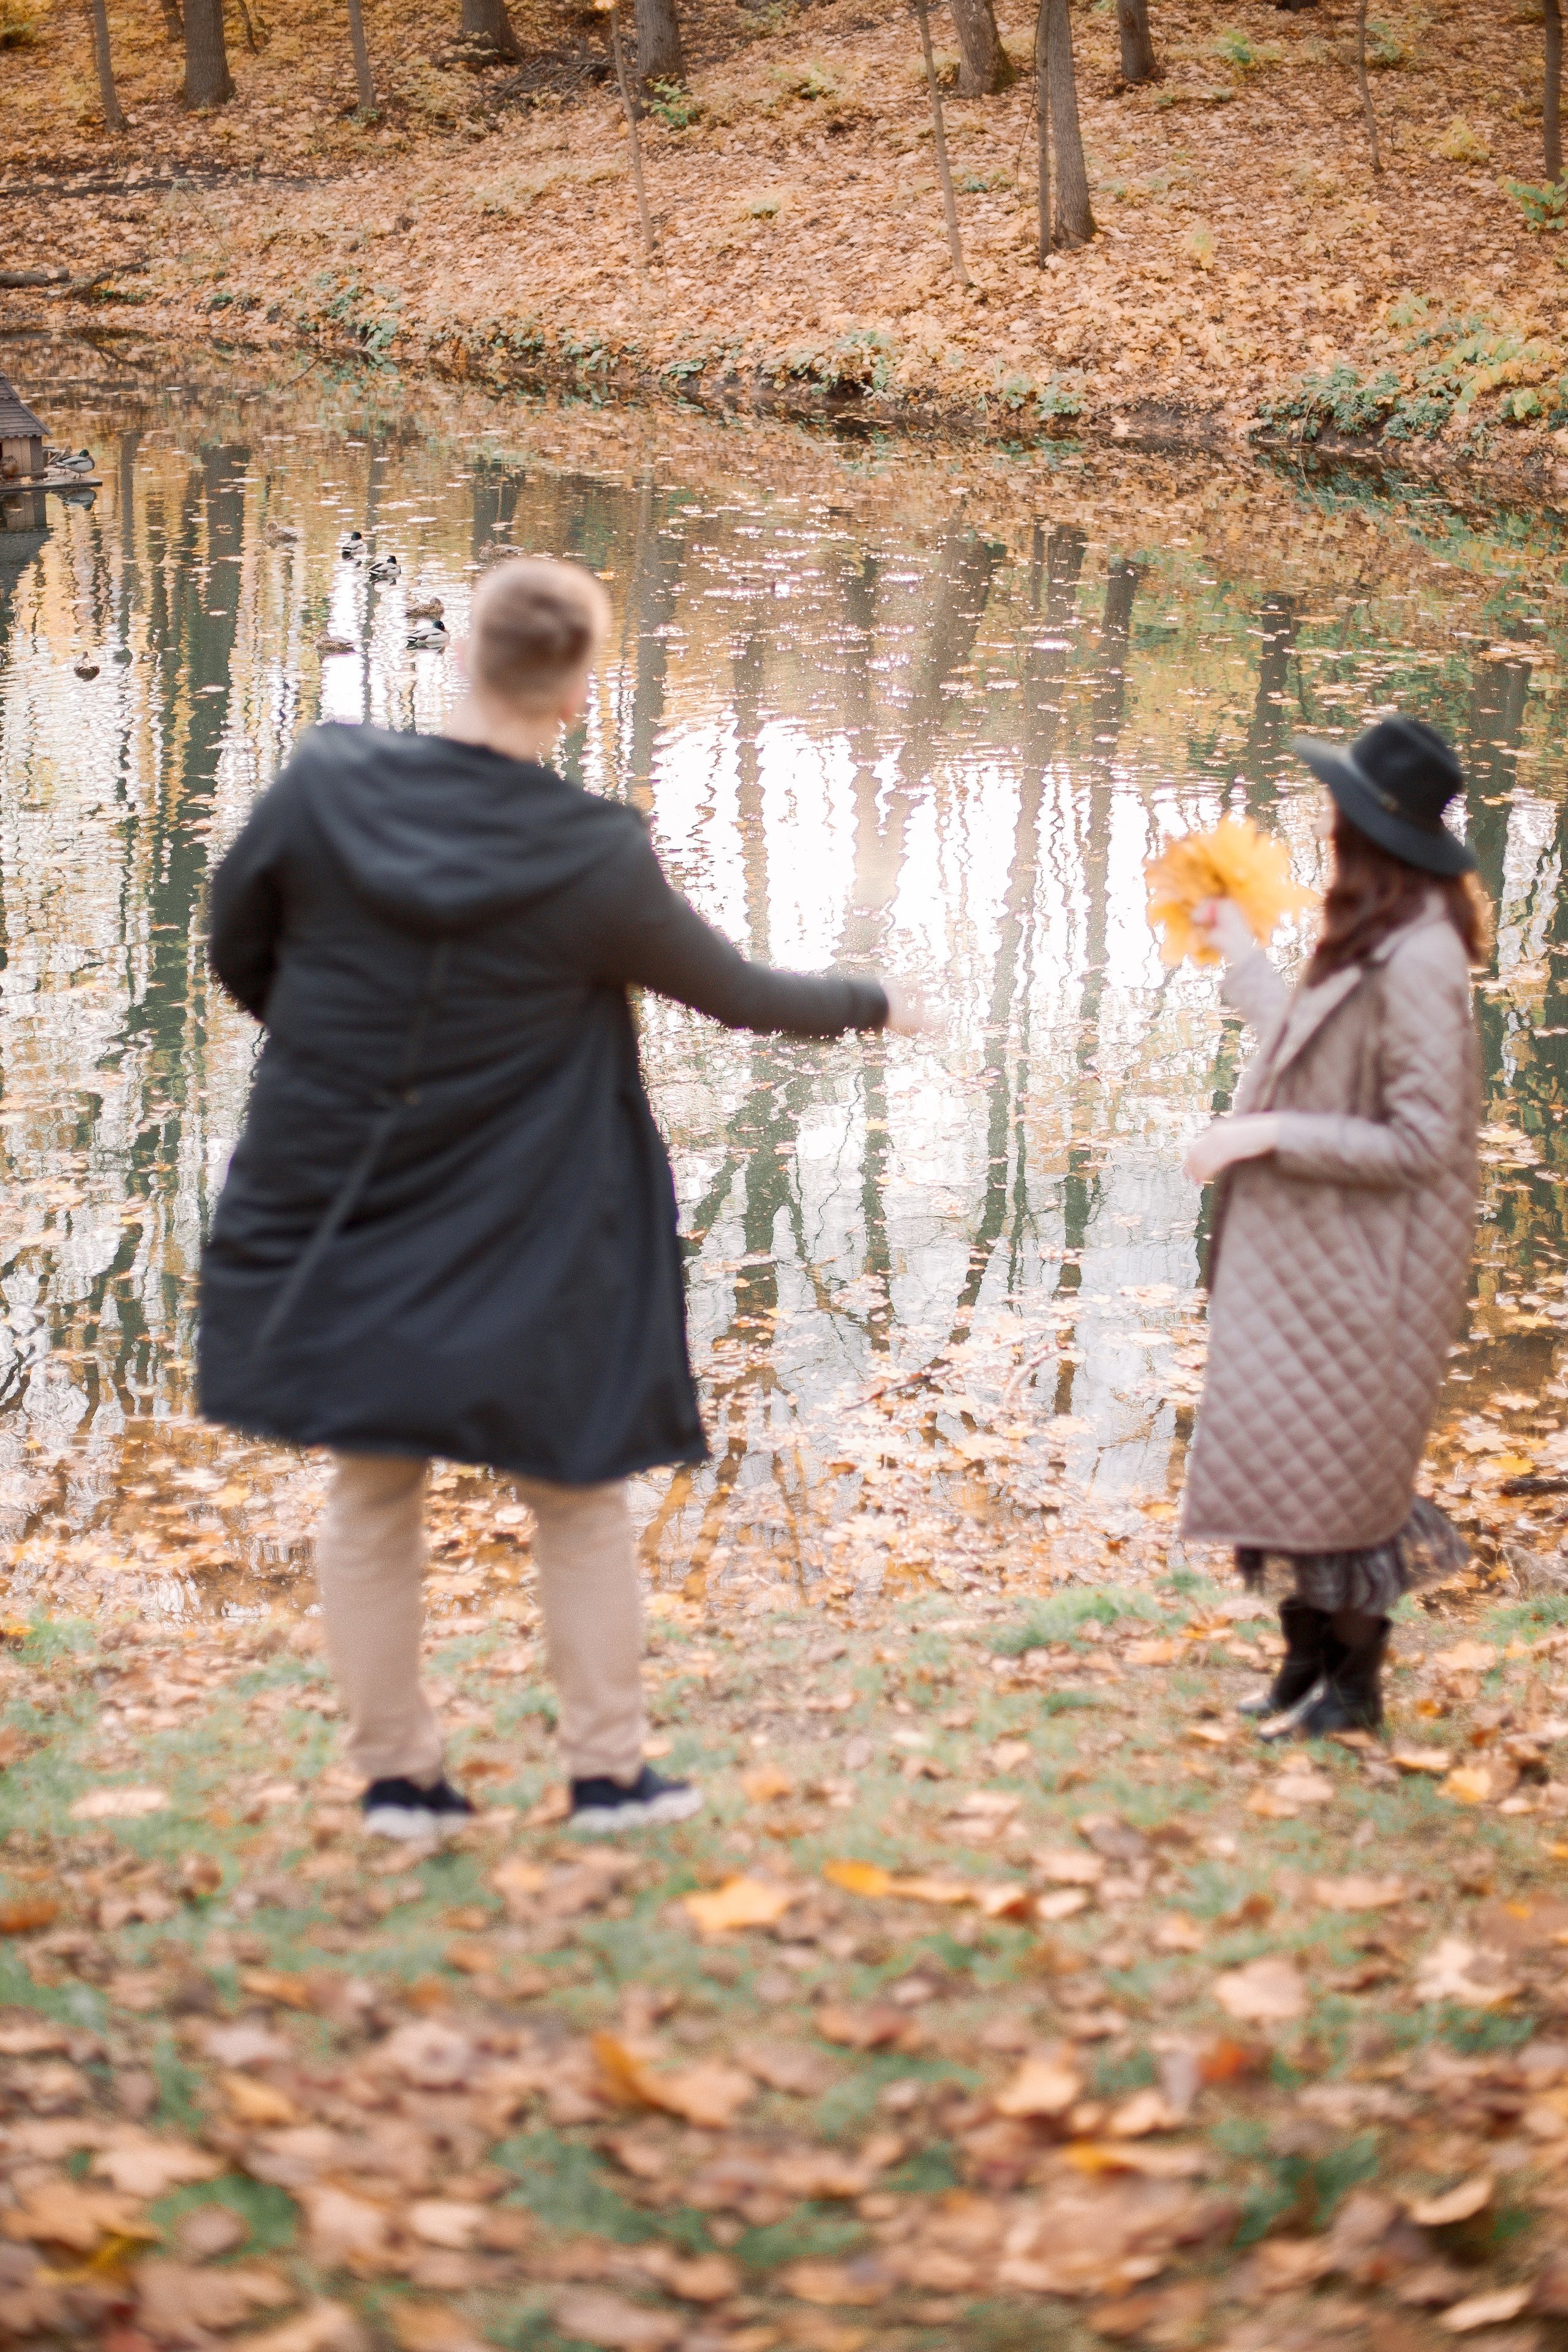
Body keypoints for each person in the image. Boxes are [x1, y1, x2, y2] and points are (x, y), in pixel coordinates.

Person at [199, 556, 917, 1839]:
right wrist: (872, 999)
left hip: (346, 1191)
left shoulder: (323, 788)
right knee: (576, 1501)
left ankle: (398, 1785)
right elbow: (742, 995)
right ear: (577, 692)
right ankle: (605, 1777)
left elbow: (236, 945)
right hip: (523, 1222)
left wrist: (333, 1055)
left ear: (463, 656)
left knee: (371, 1496)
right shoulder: (592, 855)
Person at [1179, 715, 1487, 1736]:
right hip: (1317, 1266)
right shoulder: (1374, 928)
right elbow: (1309, 1045)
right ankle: (1301, 1671)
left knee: (1342, 1489)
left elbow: (1423, 1141)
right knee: (1293, 1464)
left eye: (1340, 810)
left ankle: (1353, 1695)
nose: (1325, 823)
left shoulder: (1424, 958)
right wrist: (1242, 954)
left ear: (1372, 831)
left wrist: (1260, 1134)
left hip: (1374, 1281)